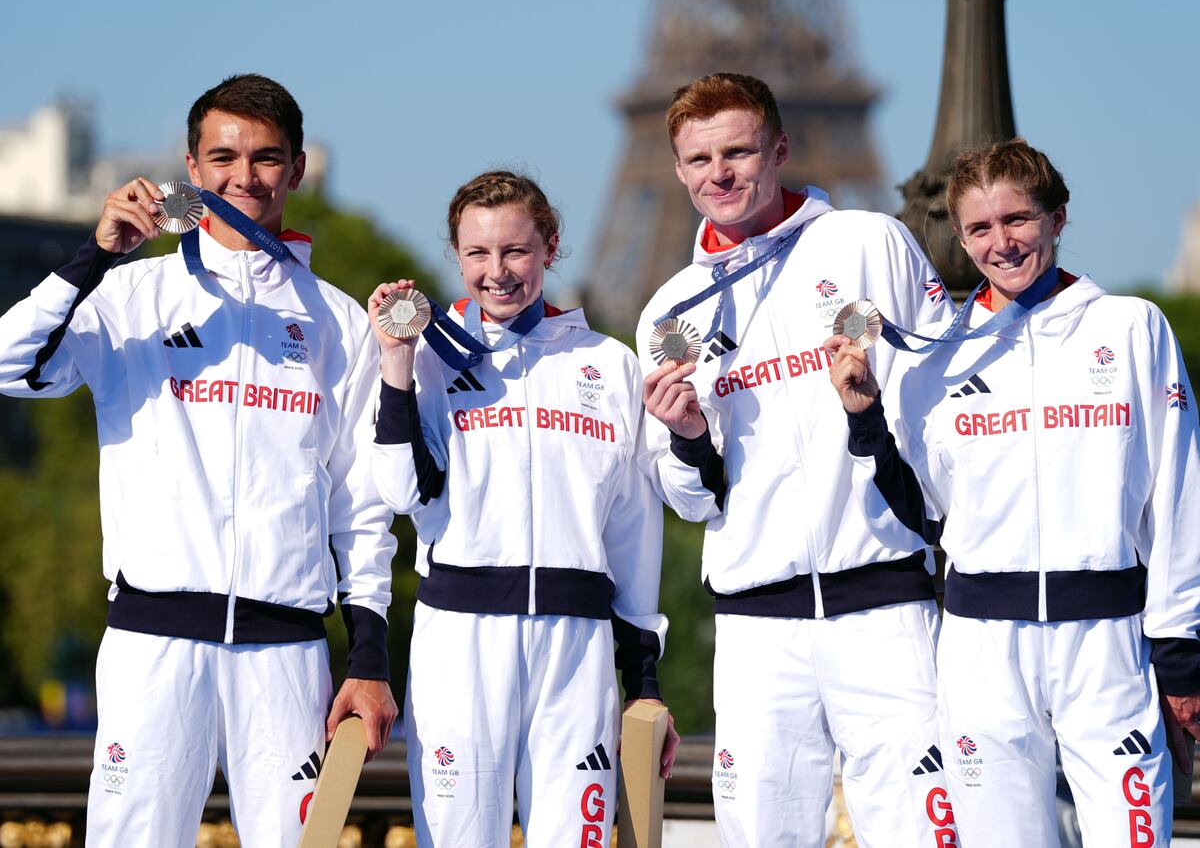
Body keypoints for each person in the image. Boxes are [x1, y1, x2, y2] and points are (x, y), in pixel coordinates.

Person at [0, 74, 398, 847]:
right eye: (223, 157)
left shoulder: (338, 320)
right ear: (190, 165)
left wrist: (370, 657)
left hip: (286, 653)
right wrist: (95, 254)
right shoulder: (131, 293)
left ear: (297, 169)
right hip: (153, 644)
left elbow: (363, 506)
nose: (243, 178)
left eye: (266, 158)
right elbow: (8, 365)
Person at [826, 137, 1200, 845]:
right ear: (962, 239)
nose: (1003, 242)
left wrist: (1179, 653)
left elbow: (1182, 498)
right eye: (980, 228)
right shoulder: (932, 357)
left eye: (1019, 219)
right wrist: (865, 417)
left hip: (1106, 642)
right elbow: (921, 511)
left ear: (1058, 219)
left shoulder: (1130, 328)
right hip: (982, 652)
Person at [637, 72, 957, 847]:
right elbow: (689, 500)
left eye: (739, 151)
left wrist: (875, 419)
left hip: (883, 600)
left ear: (779, 149)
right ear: (679, 171)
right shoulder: (669, 311)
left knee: (925, 830)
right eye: (700, 159)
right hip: (757, 623)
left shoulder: (868, 241)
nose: (720, 173)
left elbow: (950, 403)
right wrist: (683, 438)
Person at [369, 170, 678, 848]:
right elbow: (397, 491)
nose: (497, 271)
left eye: (515, 251)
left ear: (550, 248)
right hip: (461, 639)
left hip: (577, 646)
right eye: (478, 253)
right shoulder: (427, 360)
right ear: (456, 256)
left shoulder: (610, 365)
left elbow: (633, 537)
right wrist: (396, 364)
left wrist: (644, 681)